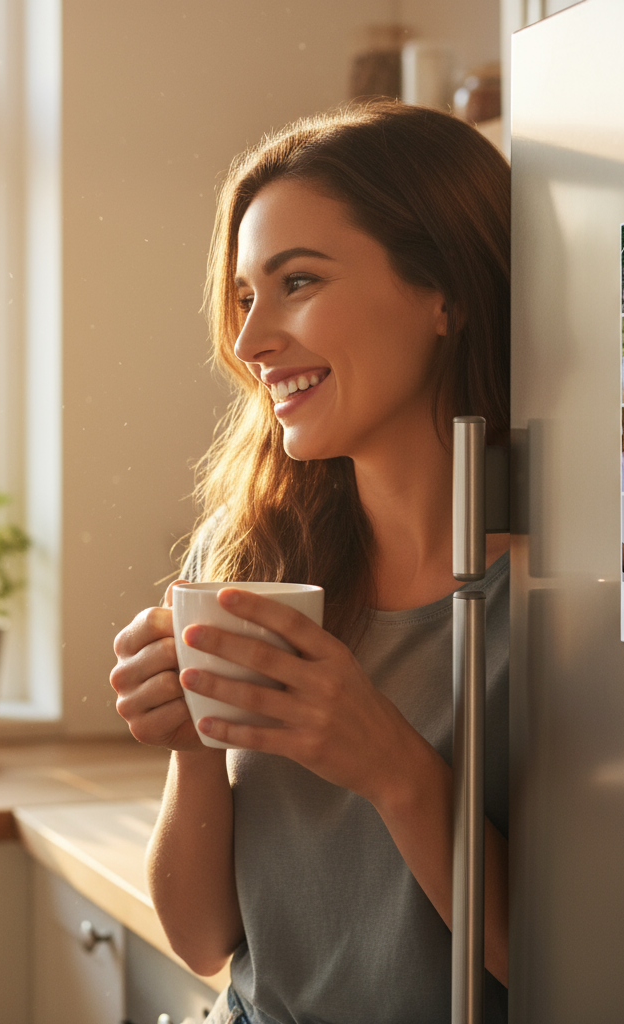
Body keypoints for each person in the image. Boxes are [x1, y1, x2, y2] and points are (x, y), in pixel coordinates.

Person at [110, 102, 510, 1024]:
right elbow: (207, 940)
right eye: (247, 296)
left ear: (442, 289)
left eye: (297, 282)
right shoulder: (250, 554)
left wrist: (393, 769)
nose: (250, 343)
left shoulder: (563, 600)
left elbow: (582, 968)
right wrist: (192, 748)